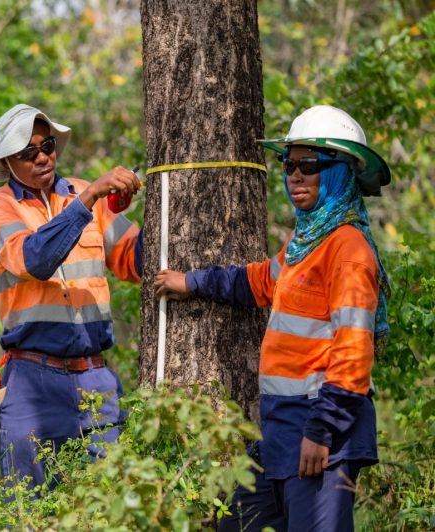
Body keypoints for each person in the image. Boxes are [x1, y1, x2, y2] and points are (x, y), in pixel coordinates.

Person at [155, 105, 391, 531]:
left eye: (309, 165)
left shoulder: (348, 248)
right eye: (288, 164)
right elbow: (261, 281)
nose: (294, 175)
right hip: (281, 431)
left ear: (339, 173)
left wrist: (322, 431)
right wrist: (193, 282)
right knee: (238, 523)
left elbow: (354, 351)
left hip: (322, 432)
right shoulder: (307, 243)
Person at [0, 104, 143, 489]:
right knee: (32, 510)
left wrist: (164, 203)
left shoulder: (85, 194)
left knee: (106, 504)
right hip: (33, 380)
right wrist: (89, 200)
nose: (42, 157)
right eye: (27, 152)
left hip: (94, 378)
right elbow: (35, 258)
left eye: (47, 145)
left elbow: (135, 262)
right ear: (7, 163)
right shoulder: (0, 208)